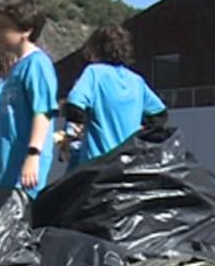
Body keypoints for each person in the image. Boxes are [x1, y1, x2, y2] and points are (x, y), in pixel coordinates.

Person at [0, 0, 58, 216]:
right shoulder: (17, 68)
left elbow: (42, 112)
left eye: (4, 28)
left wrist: (33, 155)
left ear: (26, 30)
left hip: (21, 173)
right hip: (4, 170)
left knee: (13, 237)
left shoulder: (37, 64)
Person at [64, 25, 167, 167]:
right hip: (130, 164)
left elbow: (74, 107)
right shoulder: (136, 80)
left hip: (97, 165)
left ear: (96, 49)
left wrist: (81, 124)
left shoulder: (94, 73)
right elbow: (160, 114)